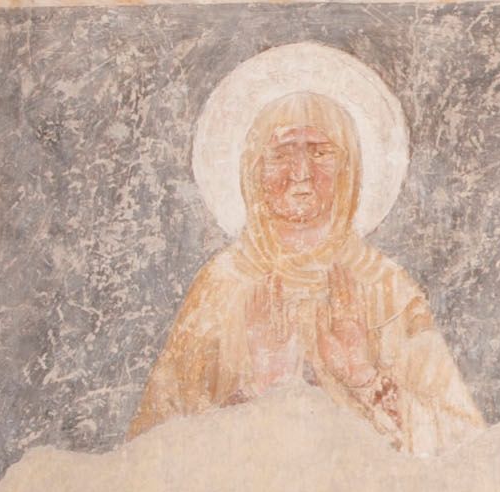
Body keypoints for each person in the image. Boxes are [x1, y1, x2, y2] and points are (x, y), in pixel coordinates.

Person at [133, 87, 481, 455]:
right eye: (281, 154)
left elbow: (462, 443)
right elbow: (154, 452)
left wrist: (364, 377)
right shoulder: (220, 285)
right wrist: (259, 387)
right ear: (253, 169)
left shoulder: (387, 287)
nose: (301, 173)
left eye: (320, 152)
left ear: (349, 168)